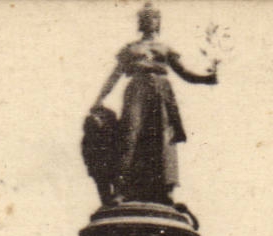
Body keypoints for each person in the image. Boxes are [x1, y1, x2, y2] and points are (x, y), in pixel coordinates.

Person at [89, 3, 219, 205]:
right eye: (146, 18)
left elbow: (185, 73)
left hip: (161, 92)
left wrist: (206, 78)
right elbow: (114, 76)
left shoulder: (165, 49)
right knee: (129, 135)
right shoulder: (131, 49)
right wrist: (99, 98)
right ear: (140, 22)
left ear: (158, 22)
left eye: (154, 18)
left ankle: (165, 190)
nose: (150, 21)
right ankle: (121, 189)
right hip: (136, 90)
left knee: (162, 137)